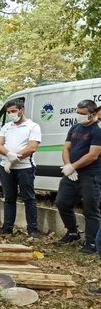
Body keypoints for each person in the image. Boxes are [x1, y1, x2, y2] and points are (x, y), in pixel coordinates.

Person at [54, 100, 101, 254]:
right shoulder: (75, 128)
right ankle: (72, 233)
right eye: (78, 113)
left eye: (83, 114)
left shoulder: (97, 130)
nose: (79, 116)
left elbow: (93, 155)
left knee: (90, 209)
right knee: (62, 202)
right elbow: (66, 148)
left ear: (92, 114)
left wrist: (73, 166)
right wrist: (69, 167)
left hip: (90, 175)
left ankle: (91, 243)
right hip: (72, 175)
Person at [0, 99, 42, 238]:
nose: (11, 114)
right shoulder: (6, 126)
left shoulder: (32, 126)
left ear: (22, 110)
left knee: (28, 198)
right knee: (9, 197)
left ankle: (32, 230)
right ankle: (7, 227)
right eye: (8, 112)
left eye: (13, 111)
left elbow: (32, 147)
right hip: (6, 167)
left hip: (25, 167)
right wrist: (8, 155)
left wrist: (15, 159)